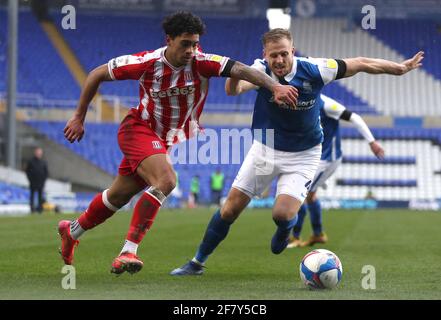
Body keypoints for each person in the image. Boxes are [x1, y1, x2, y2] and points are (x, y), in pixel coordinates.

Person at [58, 12, 299, 275]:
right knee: (166, 181)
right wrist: (79, 117)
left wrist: (274, 87)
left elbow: (240, 69)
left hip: (163, 140)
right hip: (138, 129)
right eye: (185, 44)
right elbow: (95, 74)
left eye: (195, 44)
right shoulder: (146, 62)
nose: (191, 50)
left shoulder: (201, 62)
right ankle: (128, 250)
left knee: (117, 196)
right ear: (169, 40)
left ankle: (72, 231)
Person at [171, 28, 423, 275]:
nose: (279, 60)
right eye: (273, 56)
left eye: (284, 54)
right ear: (265, 55)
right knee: (229, 209)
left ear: (292, 51)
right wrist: (239, 71)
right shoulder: (260, 70)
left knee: (282, 214)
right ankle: (197, 262)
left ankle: (284, 229)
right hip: (266, 149)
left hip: (304, 154)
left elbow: (360, 63)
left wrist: (399, 69)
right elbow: (232, 90)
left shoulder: (315, 69)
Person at [287, 94, 385, 248]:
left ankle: (295, 237)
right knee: (310, 195)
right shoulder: (301, 100)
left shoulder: (326, 104)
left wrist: (372, 142)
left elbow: (355, 118)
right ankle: (318, 234)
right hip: (313, 156)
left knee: (300, 192)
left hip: (327, 158)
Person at [25, 147, 48, 214]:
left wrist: (43, 180)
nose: (38, 154)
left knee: (40, 196)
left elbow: (46, 172)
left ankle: (40, 210)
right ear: (35, 153)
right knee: (32, 196)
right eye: (37, 152)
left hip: (41, 183)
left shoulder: (43, 162)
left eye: (40, 153)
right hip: (33, 182)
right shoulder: (30, 161)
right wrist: (30, 179)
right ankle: (32, 210)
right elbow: (27, 171)